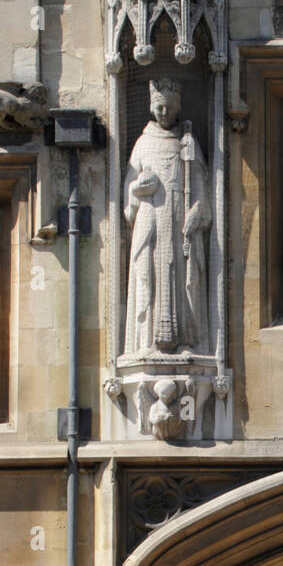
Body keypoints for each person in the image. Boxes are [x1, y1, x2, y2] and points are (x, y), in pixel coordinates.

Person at [123, 78, 211, 359]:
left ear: (177, 108)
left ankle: (187, 341)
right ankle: (145, 342)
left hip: (178, 223)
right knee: (145, 275)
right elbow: (128, 192)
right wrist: (138, 189)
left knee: (185, 279)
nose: (163, 113)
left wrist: (195, 213)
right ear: (151, 107)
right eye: (159, 107)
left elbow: (201, 189)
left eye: (169, 108)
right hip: (150, 220)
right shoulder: (142, 143)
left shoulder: (187, 143)